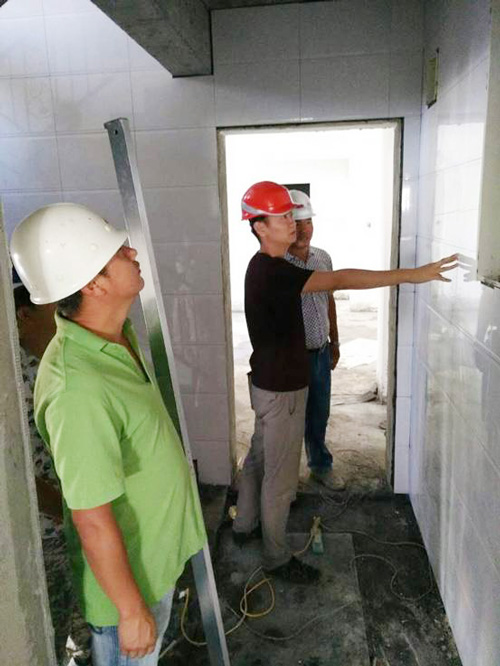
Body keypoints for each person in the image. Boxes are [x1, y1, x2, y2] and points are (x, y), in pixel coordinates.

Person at [10, 203, 207, 666]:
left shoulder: (112, 338)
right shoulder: (77, 389)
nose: (132, 252)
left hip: (152, 562)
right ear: (93, 284)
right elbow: (92, 518)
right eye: (117, 251)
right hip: (128, 589)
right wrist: (131, 610)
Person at [232, 180, 457, 585]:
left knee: (259, 458)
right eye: (282, 217)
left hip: (265, 385)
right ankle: (276, 557)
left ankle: (244, 526)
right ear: (259, 226)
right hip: (282, 392)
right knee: (280, 480)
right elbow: (340, 280)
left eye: (292, 215)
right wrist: (412, 274)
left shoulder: (261, 265)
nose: (292, 222)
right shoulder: (275, 271)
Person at [14, 279, 92, 665]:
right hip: (48, 531)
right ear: (22, 317)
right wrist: (71, 513)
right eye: (52, 309)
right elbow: (23, 476)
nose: (62, 315)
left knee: (85, 615)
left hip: (73, 518)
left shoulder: (53, 361)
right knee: (54, 624)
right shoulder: (15, 386)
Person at [285, 190, 344, 491]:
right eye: (296, 223)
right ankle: (286, 476)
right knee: (290, 417)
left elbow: (329, 300)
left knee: (319, 412)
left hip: (320, 352)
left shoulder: (323, 258)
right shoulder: (278, 264)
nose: (303, 229)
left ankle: (320, 465)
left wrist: (335, 341)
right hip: (291, 356)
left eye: (308, 222)